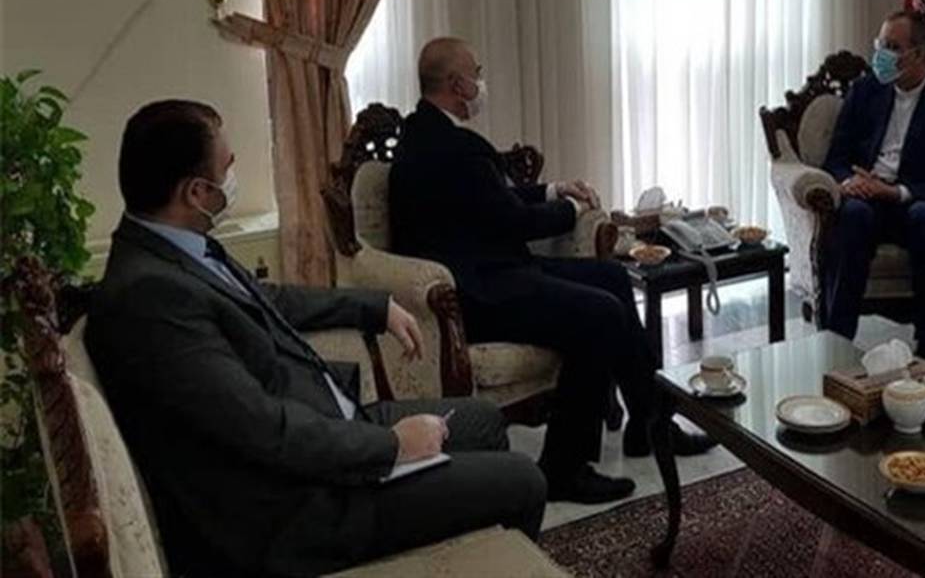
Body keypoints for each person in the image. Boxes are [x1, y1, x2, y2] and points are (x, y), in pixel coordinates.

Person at [86, 100, 546, 577]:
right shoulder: (150, 298)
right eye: (229, 167)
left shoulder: (174, 248)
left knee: (484, 421)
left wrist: (374, 307)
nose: (234, 177)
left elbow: (268, 299)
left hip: (324, 428)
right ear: (197, 192)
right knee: (523, 482)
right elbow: (264, 430)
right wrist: (392, 446)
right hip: (301, 505)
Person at [388, 37, 714, 505]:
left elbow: (488, 200)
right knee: (599, 313)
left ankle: (649, 422)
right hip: (477, 292)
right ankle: (564, 468)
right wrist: (569, 210)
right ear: (458, 85)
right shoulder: (455, 147)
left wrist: (552, 189)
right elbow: (513, 221)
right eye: (476, 73)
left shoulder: (423, 133)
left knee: (612, 277)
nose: (481, 82)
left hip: (487, 269)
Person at [820, 10, 925, 362]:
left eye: (893, 47)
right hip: (868, 197)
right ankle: (836, 344)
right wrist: (849, 182)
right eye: (880, 44)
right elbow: (836, 157)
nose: (881, 54)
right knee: (853, 216)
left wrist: (897, 192)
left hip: (920, 198)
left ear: (921, 54)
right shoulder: (865, 91)